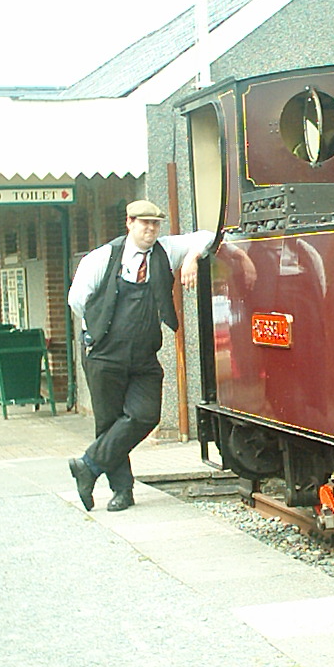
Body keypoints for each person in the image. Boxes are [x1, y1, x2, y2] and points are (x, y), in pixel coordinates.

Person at [67, 199, 215, 511]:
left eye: (155, 224)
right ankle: (123, 491)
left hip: (144, 355)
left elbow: (208, 235)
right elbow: (78, 300)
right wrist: (97, 332)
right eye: (143, 223)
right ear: (129, 222)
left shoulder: (164, 250)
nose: (149, 229)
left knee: (145, 415)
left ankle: (88, 466)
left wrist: (191, 258)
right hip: (105, 354)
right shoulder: (103, 258)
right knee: (109, 424)